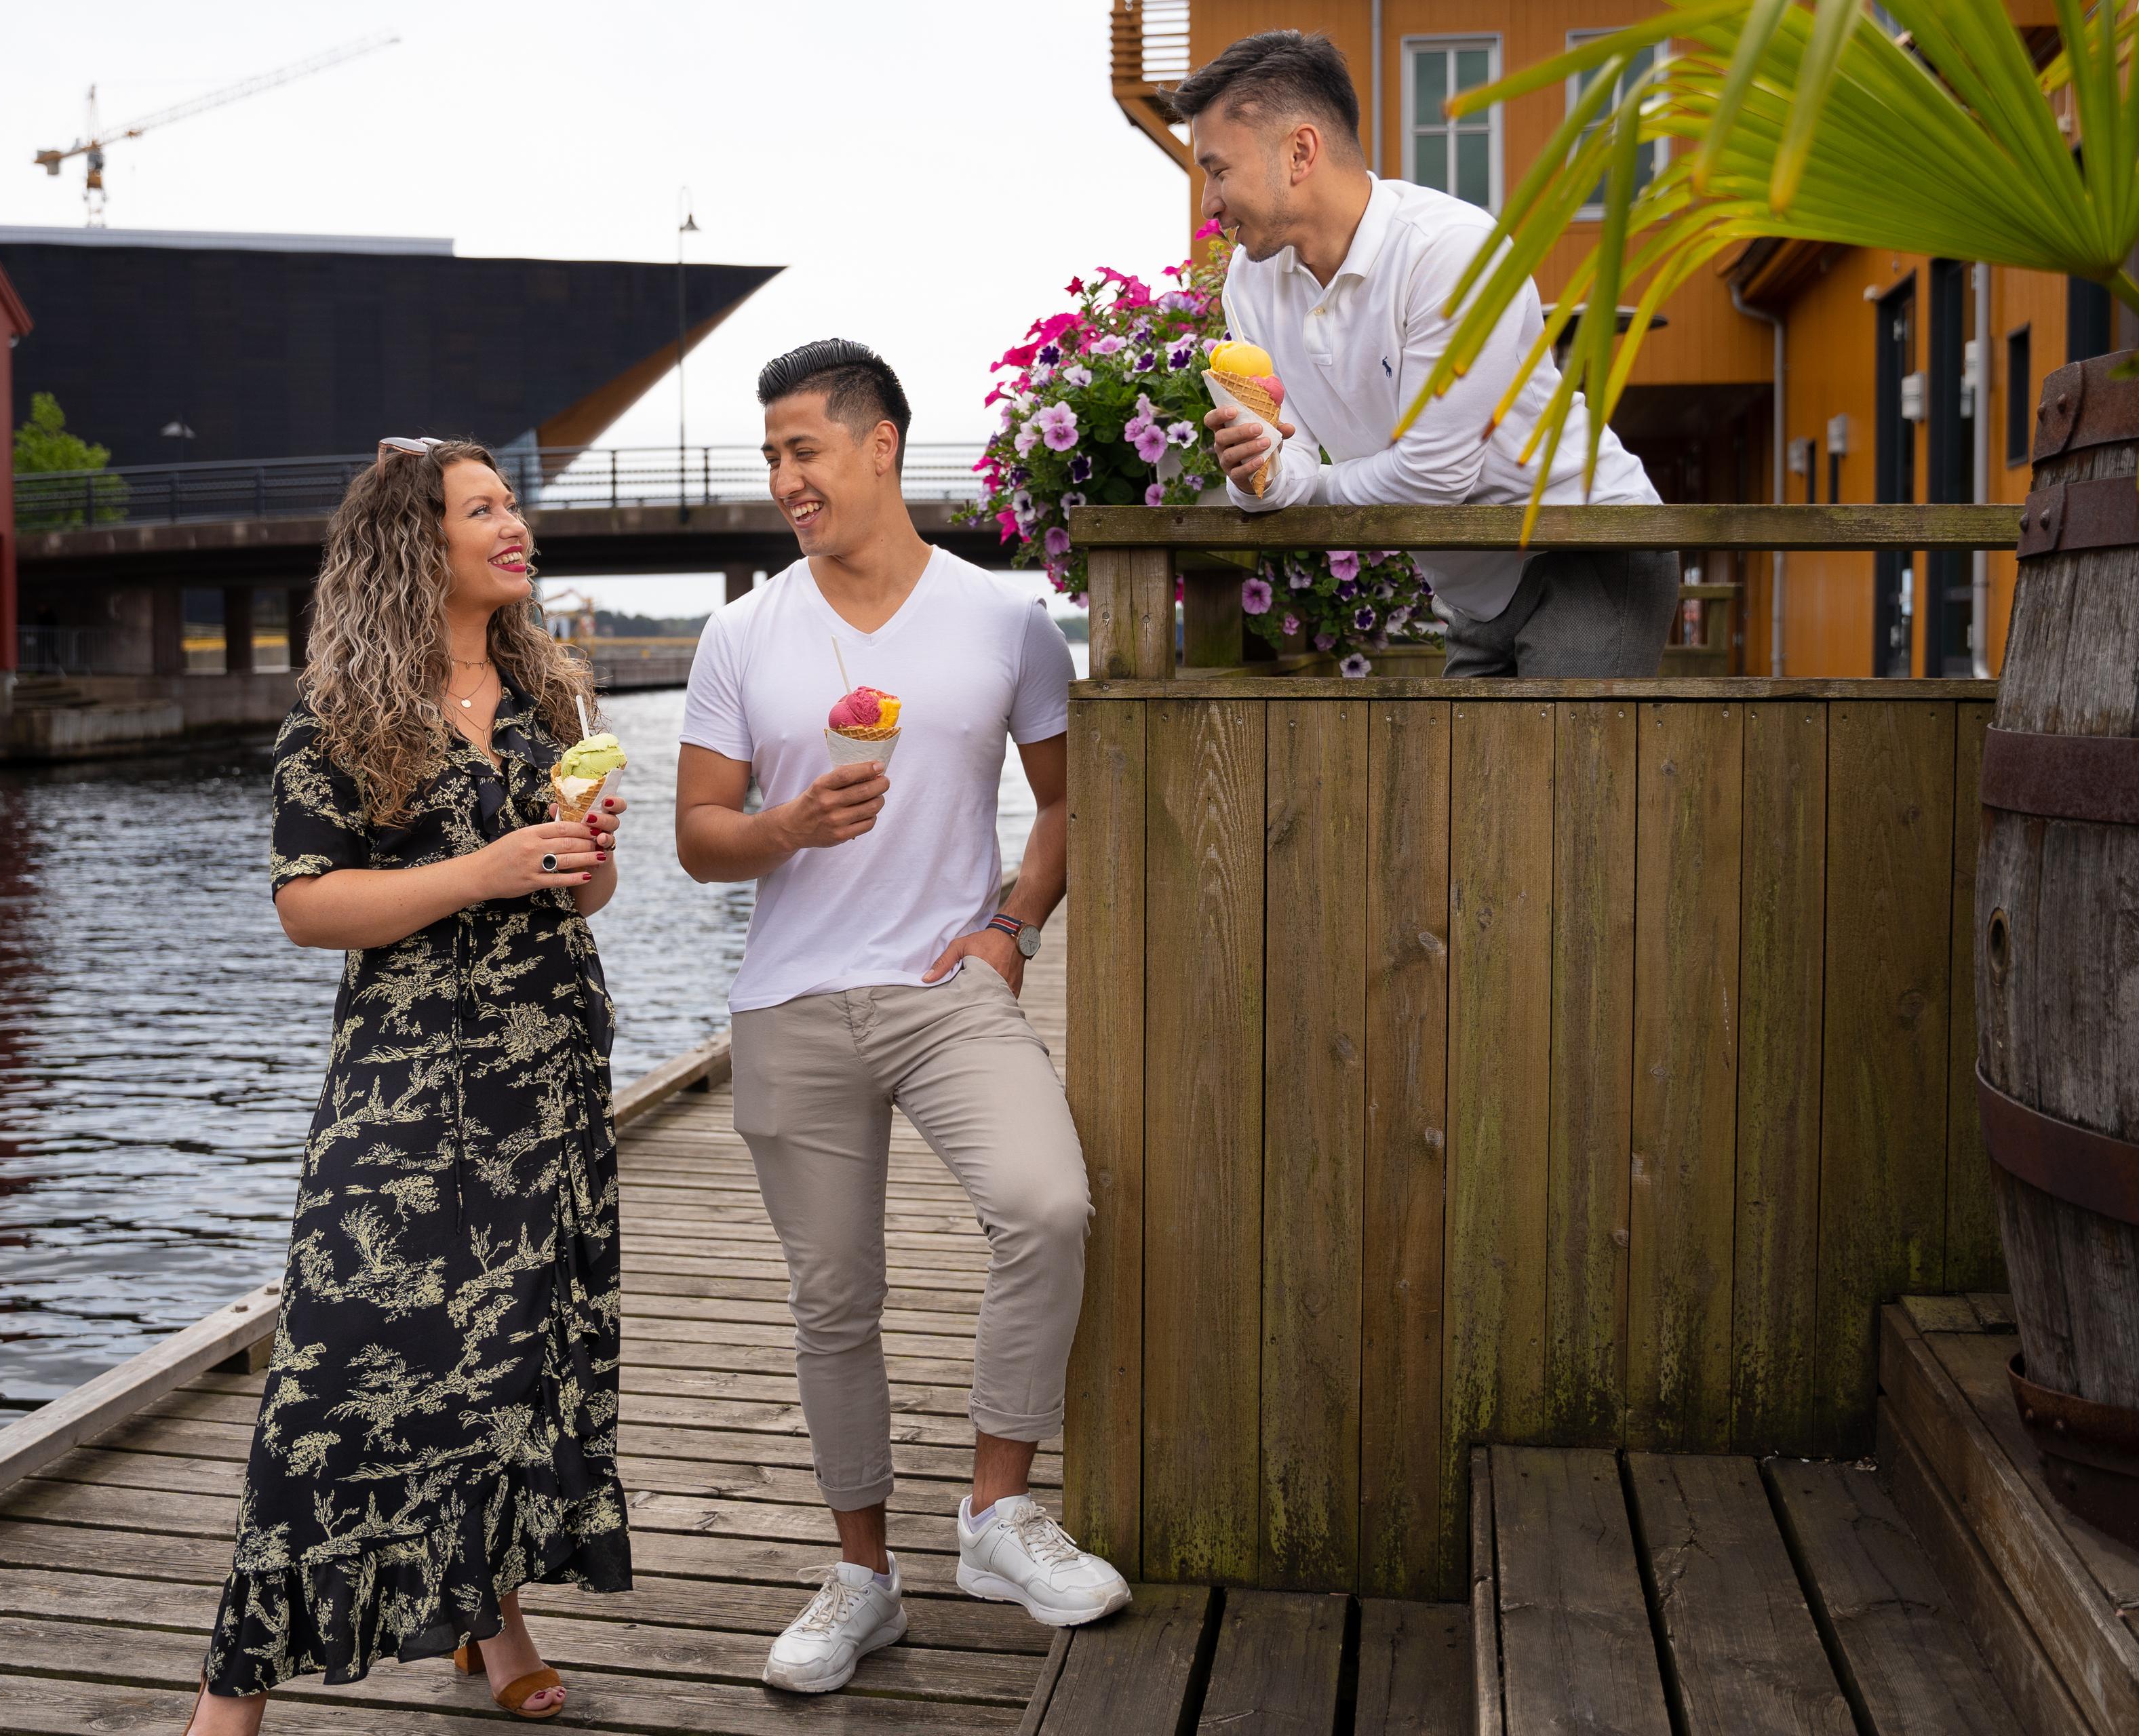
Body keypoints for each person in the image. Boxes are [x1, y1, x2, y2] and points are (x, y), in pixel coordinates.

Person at [675, 340, 1130, 1695]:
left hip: (947, 990)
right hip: (791, 1000)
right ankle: (862, 1579)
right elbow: (698, 835)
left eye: (804, 449)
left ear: (880, 446)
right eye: (771, 455)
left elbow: (1065, 796)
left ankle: (996, 1511)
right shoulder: (742, 633)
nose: (784, 478)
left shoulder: (1003, 621)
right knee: (836, 1298)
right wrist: (786, 826)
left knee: (1047, 1205)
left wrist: (1014, 926)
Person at [187, 437, 632, 1732]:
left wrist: (586, 853)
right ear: (414, 545)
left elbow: (584, 896)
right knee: (332, 1377)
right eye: (482, 508)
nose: (514, 522)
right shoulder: (340, 713)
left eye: (512, 503)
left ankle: (495, 1621)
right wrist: (484, 870)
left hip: (547, 1076)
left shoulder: (553, 699)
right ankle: (230, 1697)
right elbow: (307, 906)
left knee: (509, 1363)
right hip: (408, 1088)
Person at [1184, 30, 1679, 677]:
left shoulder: (1452, 251)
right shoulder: (1250, 283)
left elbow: (1434, 477)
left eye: (1219, 170)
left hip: (1589, 543)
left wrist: (1307, 487)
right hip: (1474, 584)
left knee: (1556, 750)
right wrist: (1255, 473)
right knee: (1469, 753)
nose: (1209, 203)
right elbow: (1284, 465)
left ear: (1300, 152)